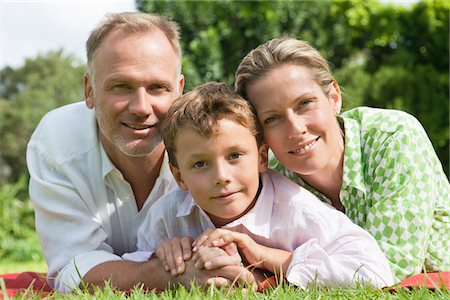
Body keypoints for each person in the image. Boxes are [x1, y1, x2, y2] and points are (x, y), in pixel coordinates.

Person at [26, 12, 252, 293]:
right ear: (89, 90)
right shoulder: (57, 142)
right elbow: (73, 270)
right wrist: (175, 275)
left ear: (179, 90)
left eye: (157, 87)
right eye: (121, 86)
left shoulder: (214, 143)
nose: (141, 107)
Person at [123, 81, 394, 289]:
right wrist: (164, 259)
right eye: (200, 164)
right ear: (179, 176)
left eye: (235, 156)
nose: (221, 176)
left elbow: (375, 273)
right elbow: (132, 267)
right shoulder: (168, 216)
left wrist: (265, 257)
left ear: (262, 158)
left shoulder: (299, 211)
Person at [234, 37, 450, 282]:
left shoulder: (393, 137)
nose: (295, 129)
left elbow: (389, 268)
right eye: (272, 118)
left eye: (305, 104)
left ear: (334, 98)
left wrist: (280, 263)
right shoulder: (272, 177)